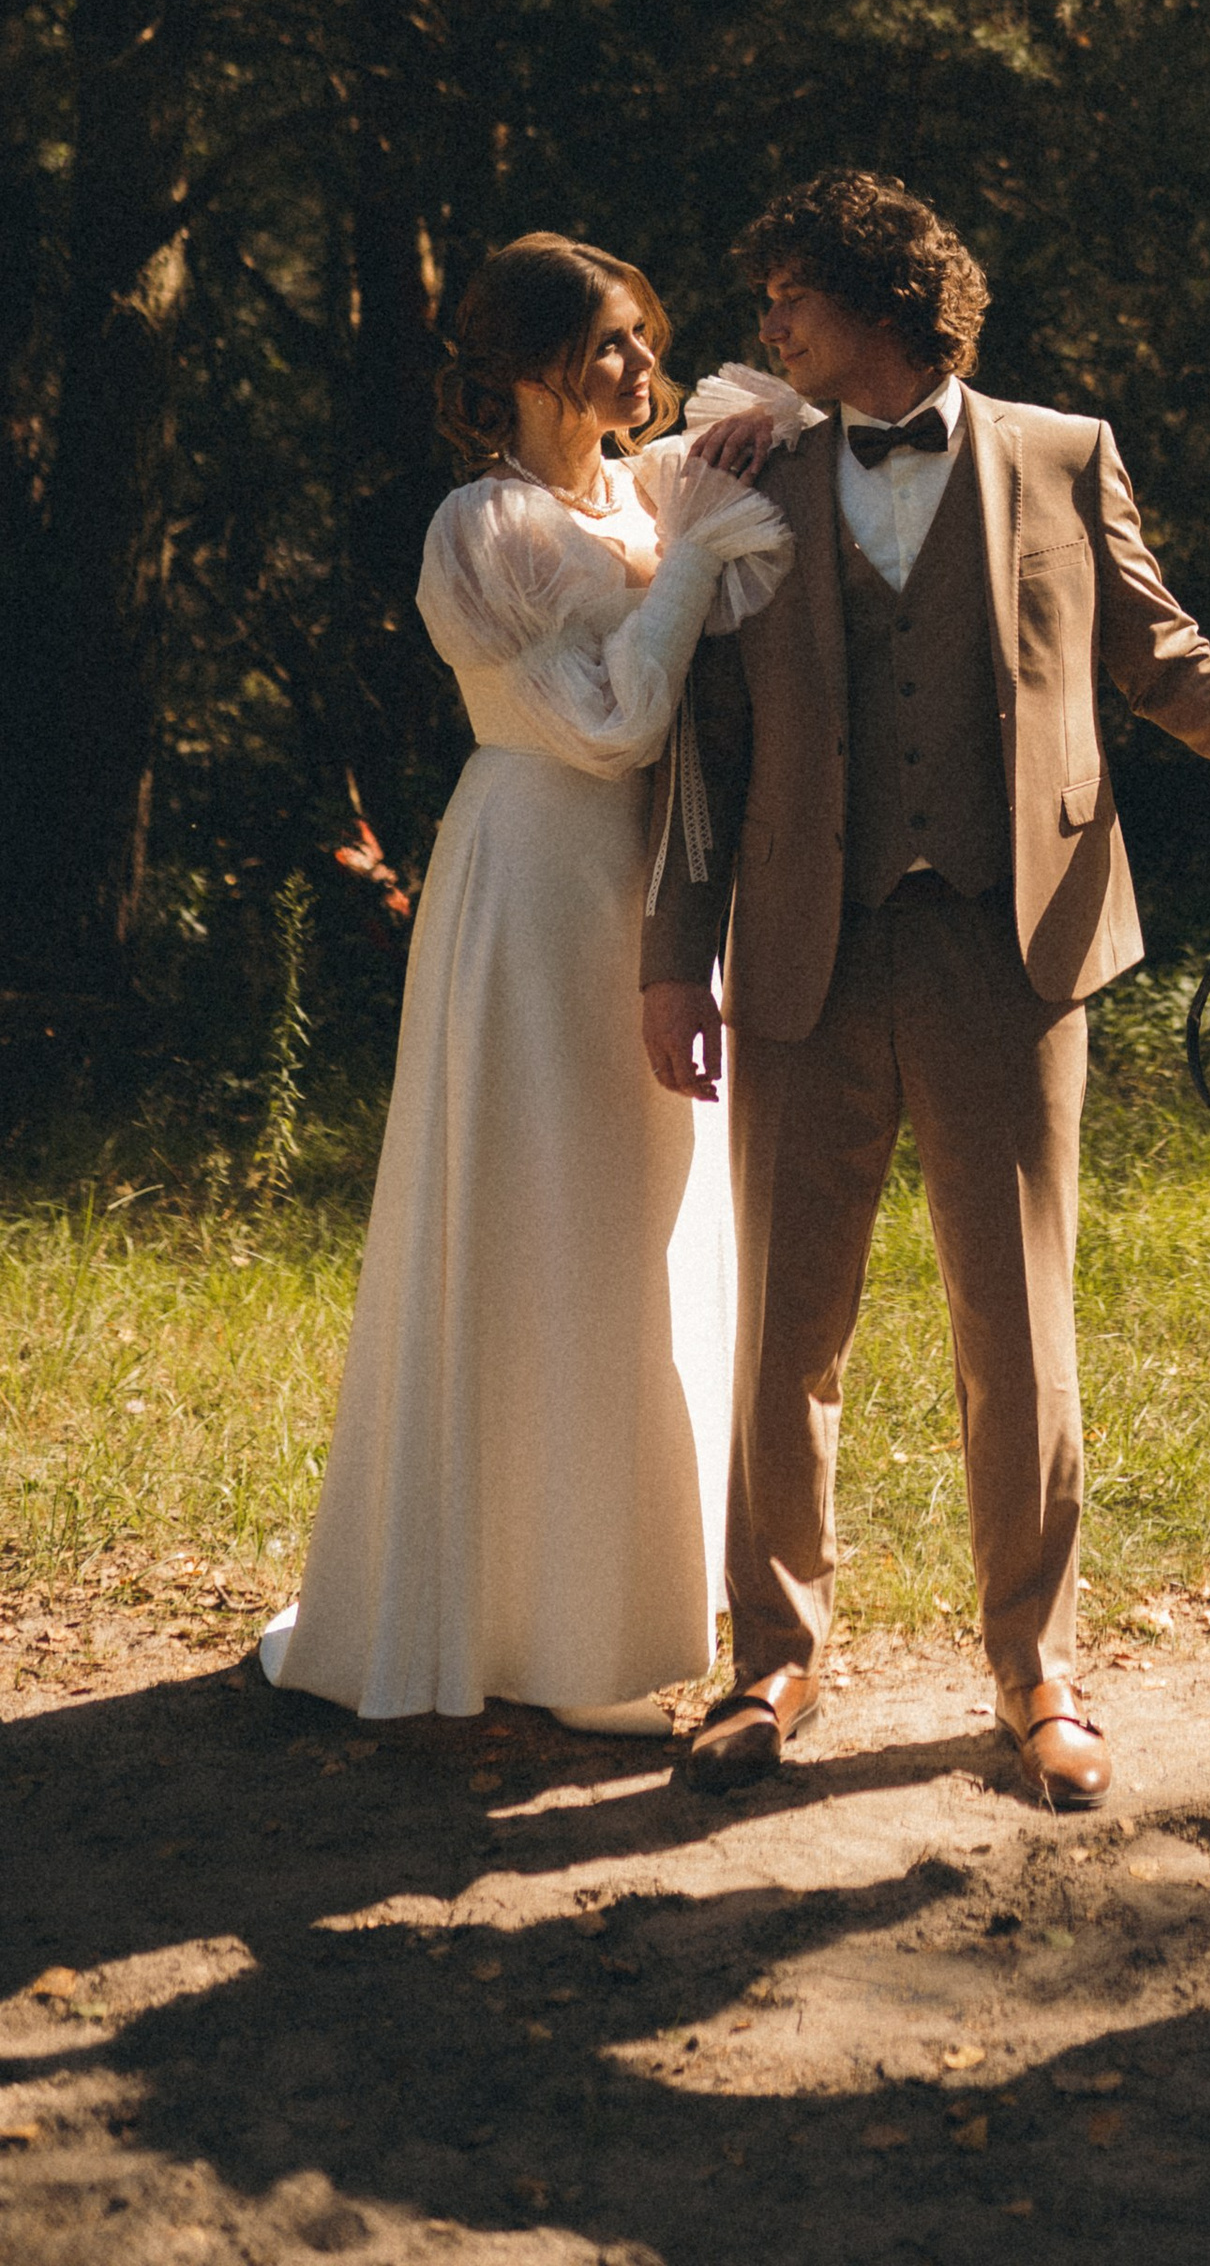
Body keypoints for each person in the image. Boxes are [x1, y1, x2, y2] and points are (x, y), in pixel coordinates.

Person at [644, 169, 1210, 1802]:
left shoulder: (1064, 454)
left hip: (1012, 949)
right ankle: (770, 1663)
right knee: (787, 1330)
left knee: (1017, 1327)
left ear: (886, 302)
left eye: (794, 299)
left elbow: (1162, 653)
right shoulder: (749, 479)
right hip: (803, 953)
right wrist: (669, 957)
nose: (766, 325)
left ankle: (1035, 1673)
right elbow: (712, 740)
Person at [260, 235, 792, 1729]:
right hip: (537, 877)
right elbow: (615, 728)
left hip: (659, 894)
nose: (639, 371)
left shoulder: (643, 487)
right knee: (542, 1216)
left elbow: (782, 421)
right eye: (608, 346)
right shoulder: (480, 529)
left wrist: (722, 461)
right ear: (518, 365)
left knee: (646, 1220)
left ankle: (618, 1616)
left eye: (643, 337)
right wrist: (690, 562)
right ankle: (505, 1615)